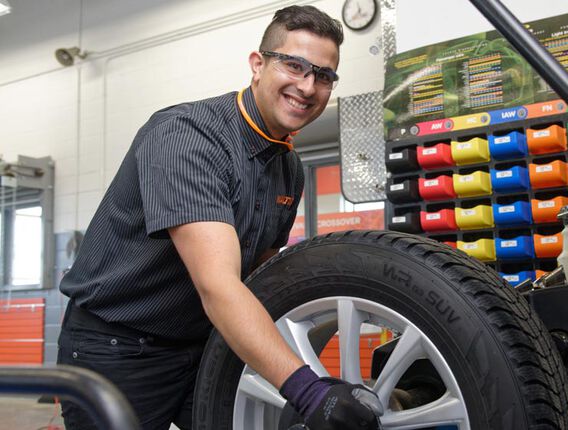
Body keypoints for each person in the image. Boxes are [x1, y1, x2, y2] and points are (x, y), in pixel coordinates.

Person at [57, 5, 383, 430]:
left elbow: (262, 275)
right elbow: (219, 285)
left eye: (323, 76)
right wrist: (308, 389)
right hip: (117, 346)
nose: (307, 86)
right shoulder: (187, 136)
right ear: (257, 65)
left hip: (202, 343)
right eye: (294, 65)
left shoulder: (288, 166)